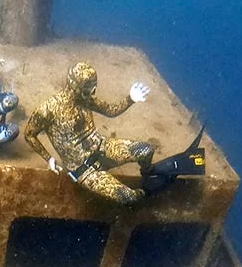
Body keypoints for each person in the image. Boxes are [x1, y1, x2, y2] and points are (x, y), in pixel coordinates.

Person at [23, 61, 153, 204]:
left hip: (103, 148)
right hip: (84, 170)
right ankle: (149, 194)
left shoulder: (85, 100)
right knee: (129, 197)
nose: (92, 93)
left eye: (93, 88)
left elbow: (110, 111)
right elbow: (29, 135)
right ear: (74, 87)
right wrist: (48, 158)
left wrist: (131, 99)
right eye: (88, 90)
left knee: (146, 150)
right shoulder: (47, 110)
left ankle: (149, 174)